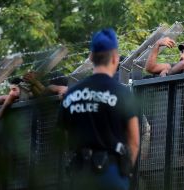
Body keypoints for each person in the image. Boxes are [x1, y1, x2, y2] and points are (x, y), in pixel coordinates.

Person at [58, 28, 140, 190]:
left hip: (81, 174)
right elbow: (134, 141)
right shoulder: (122, 93)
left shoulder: (71, 95)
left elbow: (64, 139)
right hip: (112, 175)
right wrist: (124, 171)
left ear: (91, 57)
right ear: (115, 58)